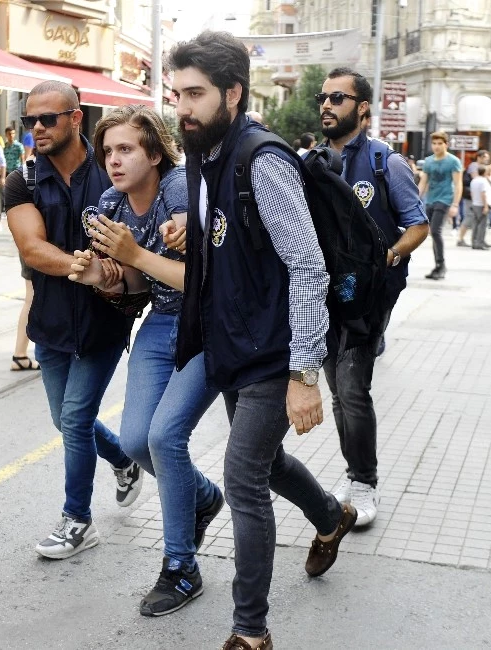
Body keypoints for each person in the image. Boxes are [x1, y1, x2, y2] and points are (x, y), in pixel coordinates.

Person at [169, 31, 357, 650]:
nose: (182, 107)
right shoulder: (208, 156)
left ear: (232, 92)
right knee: (268, 464)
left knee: (243, 478)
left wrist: (306, 373)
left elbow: (307, 267)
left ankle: (250, 629)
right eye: (176, 94)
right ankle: (331, 516)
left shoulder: (262, 160)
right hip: (234, 347)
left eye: (194, 94)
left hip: (274, 354)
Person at [68, 105, 223, 617]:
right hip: (160, 322)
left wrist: (134, 257)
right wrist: (104, 279)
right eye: (108, 150)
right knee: (135, 440)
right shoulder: (110, 204)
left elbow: (204, 284)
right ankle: (201, 496)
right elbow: (137, 286)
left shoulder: (180, 190)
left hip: (208, 325)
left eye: (127, 149)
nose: (113, 160)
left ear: (154, 153)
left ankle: (181, 567)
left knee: (164, 437)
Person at [5, 80, 143, 559]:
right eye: (30, 121)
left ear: (76, 117)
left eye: (48, 119)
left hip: (104, 320)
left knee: (76, 418)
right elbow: (30, 246)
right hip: (51, 324)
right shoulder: (22, 178)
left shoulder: (111, 169)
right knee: (66, 421)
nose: (37, 129)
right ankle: (124, 459)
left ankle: (77, 520)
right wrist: (77, 266)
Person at [316, 68, 428, 527]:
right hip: (323, 296)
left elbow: (417, 226)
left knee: (352, 389)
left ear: (362, 107)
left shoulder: (386, 162)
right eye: (323, 97)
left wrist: (388, 256)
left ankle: (365, 482)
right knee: (339, 394)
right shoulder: (313, 161)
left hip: (367, 300)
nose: (326, 104)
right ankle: (353, 470)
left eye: (338, 98)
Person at [418, 131, 462, 279]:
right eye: (434, 143)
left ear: (446, 144)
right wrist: (416, 199)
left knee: (436, 231)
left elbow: (458, 183)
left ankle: (441, 265)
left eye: (439, 143)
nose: (436, 146)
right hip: (430, 200)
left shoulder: (453, 161)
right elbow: (424, 181)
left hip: (445, 199)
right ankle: (438, 266)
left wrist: (455, 204)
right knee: (432, 233)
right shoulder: (429, 161)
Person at [457, 149, 489, 247]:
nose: (487, 160)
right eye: (485, 157)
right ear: (479, 157)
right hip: (471, 197)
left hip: (476, 198)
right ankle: (460, 239)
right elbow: (477, 179)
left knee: (475, 219)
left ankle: (478, 240)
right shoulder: (474, 166)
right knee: (469, 217)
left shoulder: (482, 167)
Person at [469, 165, 489, 250]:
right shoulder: (483, 181)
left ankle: (474, 242)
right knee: (482, 225)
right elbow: (483, 194)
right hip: (481, 205)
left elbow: (472, 193)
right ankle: (480, 243)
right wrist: (485, 206)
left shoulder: (474, 180)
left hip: (475, 204)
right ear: (484, 172)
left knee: (475, 224)